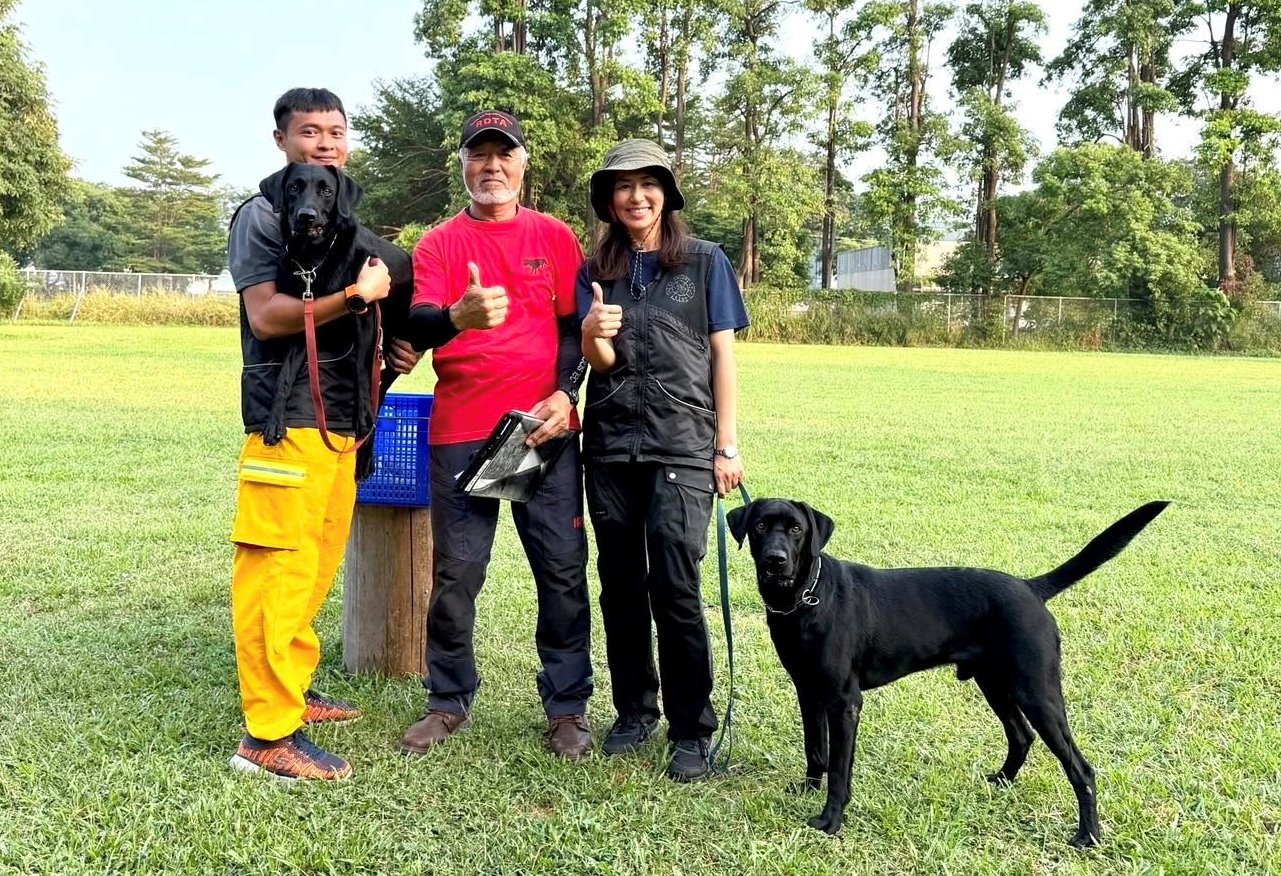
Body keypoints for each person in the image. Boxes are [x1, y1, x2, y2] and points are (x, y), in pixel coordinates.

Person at [226, 87, 422, 781]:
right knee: (276, 569)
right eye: (309, 132)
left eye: (336, 131)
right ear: (281, 141)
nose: (325, 142)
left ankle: (294, 691)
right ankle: (265, 736)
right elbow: (269, 317)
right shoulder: (261, 215)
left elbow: (386, 290)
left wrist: (394, 344)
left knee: (310, 567)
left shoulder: (345, 225)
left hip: (340, 422)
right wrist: (353, 300)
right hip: (288, 419)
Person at [396, 111, 594, 760]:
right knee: (456, 575)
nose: (491, 167)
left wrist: (567, 393)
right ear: (462, 166)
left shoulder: (556, 238)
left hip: (541, 431)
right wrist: (458, 315)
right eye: (478, 156)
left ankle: (566, 708)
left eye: (502, 155)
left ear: (522, 163)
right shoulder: (439, 245)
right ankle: (447, 702)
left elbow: (576, 329)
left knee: (561, 574)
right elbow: (421, 321)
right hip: (463, 431)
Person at [577, 139, 748, 781]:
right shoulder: (596, 265)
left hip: (683, 445)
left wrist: (725, 445)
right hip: (612, 446)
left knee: (676, 585)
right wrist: (596, 334)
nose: (636, 196)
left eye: (648, 184)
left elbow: (723, 355)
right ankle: (633, 711)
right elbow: (602, 367)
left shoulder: (705, 263)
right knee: (620, 585)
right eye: (623, 186)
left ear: (667, 194)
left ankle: (692, 727)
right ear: (609, 199)